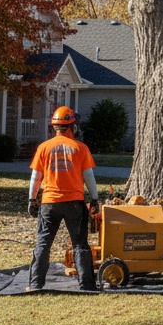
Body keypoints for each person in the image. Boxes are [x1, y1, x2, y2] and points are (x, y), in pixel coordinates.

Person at [27, 105, 100, 292]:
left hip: (49, 202)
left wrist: (32, 199)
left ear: (55, 127)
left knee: (43, 242)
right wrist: (94, 198)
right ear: (71, 126)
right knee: (80, 244)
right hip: (74, 203)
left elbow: (36, 177)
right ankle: (86, 285)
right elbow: (89, 176)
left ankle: (36, 284)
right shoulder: (80, 148)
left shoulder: (44, 148)